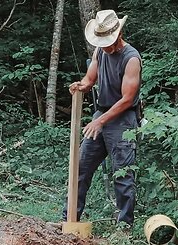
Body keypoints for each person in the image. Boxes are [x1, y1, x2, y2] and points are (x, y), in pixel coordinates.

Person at [63, 9, 141, 226]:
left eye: (107, 41)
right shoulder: (99, 51)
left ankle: (124, 228)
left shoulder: (131, 58)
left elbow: (127, 99)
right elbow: (90, 79)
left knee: (123, 176)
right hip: (101, 114)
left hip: (123, 120)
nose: (105, 45)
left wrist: (100, 120)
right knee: (81, 167)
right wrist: (82, 86)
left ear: (118, 35)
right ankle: (69, 218)